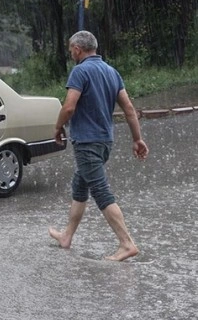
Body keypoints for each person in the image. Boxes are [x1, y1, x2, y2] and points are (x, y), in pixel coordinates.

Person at [49, 30, 149, 261]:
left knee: (101, 191)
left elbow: (69, 107)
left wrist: (57, 127)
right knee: (80, 186)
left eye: (70, 49)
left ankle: (126, 244)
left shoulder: (80, 71)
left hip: (86, 142)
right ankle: (67, 236)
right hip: (105, 141)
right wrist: (137, 139)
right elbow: (129, 110)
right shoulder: (112, 72)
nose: (71, 53)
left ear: (77, 49)